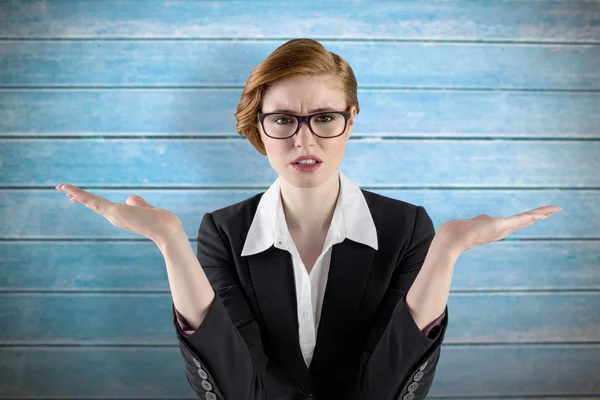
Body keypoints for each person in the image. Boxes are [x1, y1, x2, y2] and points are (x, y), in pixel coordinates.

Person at [55, 38, 562, 400]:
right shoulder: (223, 232)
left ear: (350, 120)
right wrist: (170, 241)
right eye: (283, 120)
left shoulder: (408, 228)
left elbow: (384, 391)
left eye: (324, 117)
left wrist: (447, 248)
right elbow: (238, 390)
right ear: (260, 126)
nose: (304, 140)